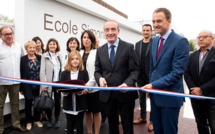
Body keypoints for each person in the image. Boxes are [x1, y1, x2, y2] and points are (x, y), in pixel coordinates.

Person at [143, 8, 189, 134]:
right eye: (153, 21)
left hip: (170, 98)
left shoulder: (180, 41)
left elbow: (177, 73)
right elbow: (153, 68)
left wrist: (153, 85)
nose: (155, 24)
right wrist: (151, 88)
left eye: (159, 21)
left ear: (169, 21)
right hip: (155, 97)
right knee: (158, 131)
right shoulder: (155, 40)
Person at [94, 20, 139, 134]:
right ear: (104, 32)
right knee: (112, 127)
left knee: (127, 127)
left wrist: (127, 84)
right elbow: (97, 71)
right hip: (108, 96)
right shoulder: (100, 50)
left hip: (126, 95)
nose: (110, 32)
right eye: (107, 30)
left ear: (118, 31)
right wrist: (99, 78)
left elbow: (135, 71)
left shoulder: (129, 47)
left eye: (113, 29)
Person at [184, 30, 215, 134]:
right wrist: (193, 89)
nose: (201, 39)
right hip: (195, 98)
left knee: (213, 124)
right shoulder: (192, 56)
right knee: (200, 123)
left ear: (212, 39)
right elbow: (186, 73)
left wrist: (202, 89)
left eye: (204, 37)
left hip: (211, 97)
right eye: (199, 37)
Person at [0, 26, 27, 133]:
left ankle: (16, 124)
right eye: (6, 34)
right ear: (1, 35)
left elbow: (23, 62)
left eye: (10, 33)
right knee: (0, 105)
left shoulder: (18, 46)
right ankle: (0, 128)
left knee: (15, 104)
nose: (9, 36)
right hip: (1, 82)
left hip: (15, 81)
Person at [60, 51, 89, 134]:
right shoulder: (64, 73)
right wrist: (65, 92)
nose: (75, 61)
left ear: (80, 60)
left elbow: (86, 87)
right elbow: (62, 88)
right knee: (70, 124)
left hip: (80, 103)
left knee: (80, 124)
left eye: (77, 59)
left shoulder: (84, 72)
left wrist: (84, 91)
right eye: (72, 59)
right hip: (68, 102)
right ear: (69, 61)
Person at [80, 30, 101, 134]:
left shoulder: (97, 52)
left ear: (92, 39)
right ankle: (89, 132)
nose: (86, 40)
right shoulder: (79, 53)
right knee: (87, 112)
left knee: (96, 111)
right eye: (84, 37)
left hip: (94, 87)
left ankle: (96, 132)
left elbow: (97, 71)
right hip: (82, 88)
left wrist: (87, 86)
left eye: (88, 38)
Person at [133, 24, 153, 132]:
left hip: (151, 76)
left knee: (152, 98)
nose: (145, 32)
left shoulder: (154, 43)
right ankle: (143, 117)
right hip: (140, 76)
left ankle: (152, 121)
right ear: (142, 31)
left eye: (147, 30)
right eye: (144, 30)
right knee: (141, 98)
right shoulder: (137, 44)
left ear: (151, 31)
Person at [40, 38, 63, 128]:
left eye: (54, 44)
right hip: (49, 83)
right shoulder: (44, 56)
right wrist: (44, 85)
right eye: (50, 44)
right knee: (48, 102)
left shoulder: (59, 56)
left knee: (58, 102)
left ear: (57, 45)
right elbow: (42, 71)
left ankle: (57, 119)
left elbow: (62, 69)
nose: (52, 45)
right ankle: (50, 119)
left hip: (58, 83)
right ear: (48, 46)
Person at [20, 41, 43, 130]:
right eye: (30, 47)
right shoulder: (23, 59)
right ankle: (28, 121)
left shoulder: (39, 58)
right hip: (27, 86)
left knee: (37, 103)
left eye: (33, 47)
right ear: (26, 49)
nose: (32, 49)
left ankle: (37, 120)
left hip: (38, 85)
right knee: (28, 103)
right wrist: (21, 88)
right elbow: (21, 73)